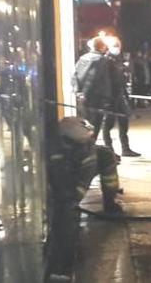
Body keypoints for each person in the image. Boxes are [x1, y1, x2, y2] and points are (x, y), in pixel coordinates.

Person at [46, 117, 122, 279]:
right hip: (60, 181)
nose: (87, 147)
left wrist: (72, 201)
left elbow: (81, 184)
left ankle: (110, 202)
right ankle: (61, 266)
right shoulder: (54, 153)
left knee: (108, 157)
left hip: (79, 175)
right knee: (64, 212)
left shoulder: (90, 153)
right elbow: (58, 184)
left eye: (89, 142)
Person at [100, 38, 140, 157]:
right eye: (115, 45)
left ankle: (125, 149)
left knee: (123, 122)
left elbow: (123, 77)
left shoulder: (119, 60)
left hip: (120, 95)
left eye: (118, 45)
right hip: (110, 97)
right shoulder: (105, 60)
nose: (117, 48)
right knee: (107, 125)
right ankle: (109, 150)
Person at [74, 37, 113, 134]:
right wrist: (107, 98)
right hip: (97, 98)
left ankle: (84, 146)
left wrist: (78, 91)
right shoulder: (102, 60)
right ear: (102, 46)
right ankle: (90, 146)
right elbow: (104, 80)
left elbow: (74, 75)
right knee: (95, 125)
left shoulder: (82, 58)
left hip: (82, 97)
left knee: (84, 124)